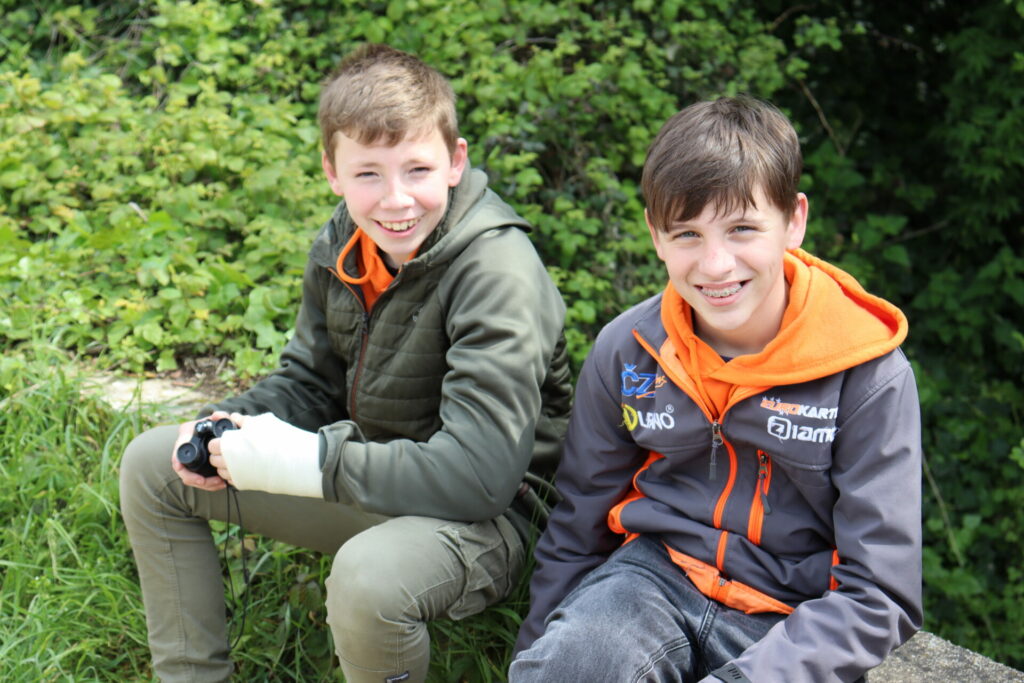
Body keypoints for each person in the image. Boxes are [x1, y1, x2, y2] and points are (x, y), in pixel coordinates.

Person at [119, 43, 572, 683]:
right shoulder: (347, 241)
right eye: (368, 175)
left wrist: (311, 463)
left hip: (494, 518)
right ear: (333, 172)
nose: (396, 200)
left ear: (456, 161)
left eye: (417, 169)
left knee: (367, 578)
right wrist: (227, 424)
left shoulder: (498, 272)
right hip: (379, 476)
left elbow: (479, 478)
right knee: (152, 465)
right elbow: (311, 381)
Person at [509, 96, 922, 683]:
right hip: (649, 581)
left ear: (794, 220)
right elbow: (578, 530)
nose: (716, 264)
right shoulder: (627, 348)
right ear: (656, 236)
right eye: (687, 234)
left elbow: (879, 594)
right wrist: (534, 659)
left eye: (742, 229)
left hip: (794, 616)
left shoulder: (867, 373)